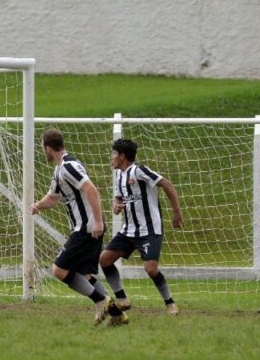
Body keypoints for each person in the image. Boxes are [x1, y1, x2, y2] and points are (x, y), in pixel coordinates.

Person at [30, 128, 120, 326]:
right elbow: (52, 199)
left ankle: (101, 301)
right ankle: (117, 314)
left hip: (87, 227)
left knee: (58, 270)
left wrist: (97, 221)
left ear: (47, 148)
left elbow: (92, 190)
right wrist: (37, 205)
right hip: (84, 227)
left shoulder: (70, 166)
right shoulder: (59, 170)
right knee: (85, 276)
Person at [98, 138, 184, 316]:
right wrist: (116, 205)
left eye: (113, 154)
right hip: (128, 230)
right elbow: (118, 197)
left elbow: (166, 184)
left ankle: (170, 303)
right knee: (104, 260)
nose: (111, 158)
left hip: (149, 230)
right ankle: (122, 298)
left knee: (151, 269)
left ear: (122, 156)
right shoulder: (118, 175)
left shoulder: (139, 171)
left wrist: (177, 212)